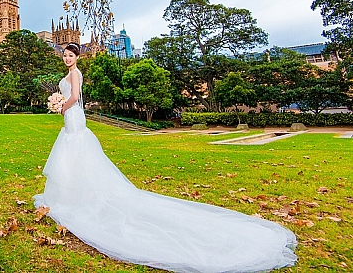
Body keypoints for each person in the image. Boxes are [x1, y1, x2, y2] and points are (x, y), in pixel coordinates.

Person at [33, 42, 297, 273]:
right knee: (74, 157)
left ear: (77, 57)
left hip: (74, 117)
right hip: (72, 119)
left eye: (70, 55)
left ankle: (78, 198)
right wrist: (62, 105)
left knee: (78, 153)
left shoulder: (75, 73)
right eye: (64, 55)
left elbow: (75, 97)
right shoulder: (69, 73)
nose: (67, 58)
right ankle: (72, 194)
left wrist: (61, 105)